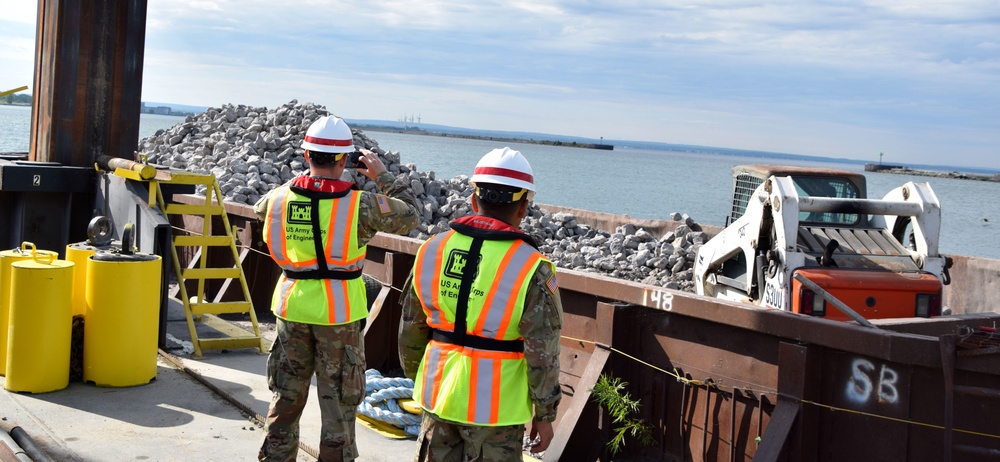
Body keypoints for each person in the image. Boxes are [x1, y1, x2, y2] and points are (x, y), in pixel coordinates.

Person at [255, 115, 420, 461]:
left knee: (285, 401)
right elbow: (412, 216)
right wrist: (382, 177)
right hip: (339, 317)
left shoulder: (277, 199)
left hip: (291, 310)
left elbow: (261, 212)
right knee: (339, 411)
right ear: (345, 161)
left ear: (306, 156)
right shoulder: (361, 206)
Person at [398, 147, 563, 461]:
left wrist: (422, 377)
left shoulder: (432, 250)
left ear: (474, 201)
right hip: (497, 412)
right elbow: (543, 352)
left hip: (438, 397)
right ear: (524, 208)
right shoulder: (532, 268)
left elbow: (410, 332)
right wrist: (545, 413)